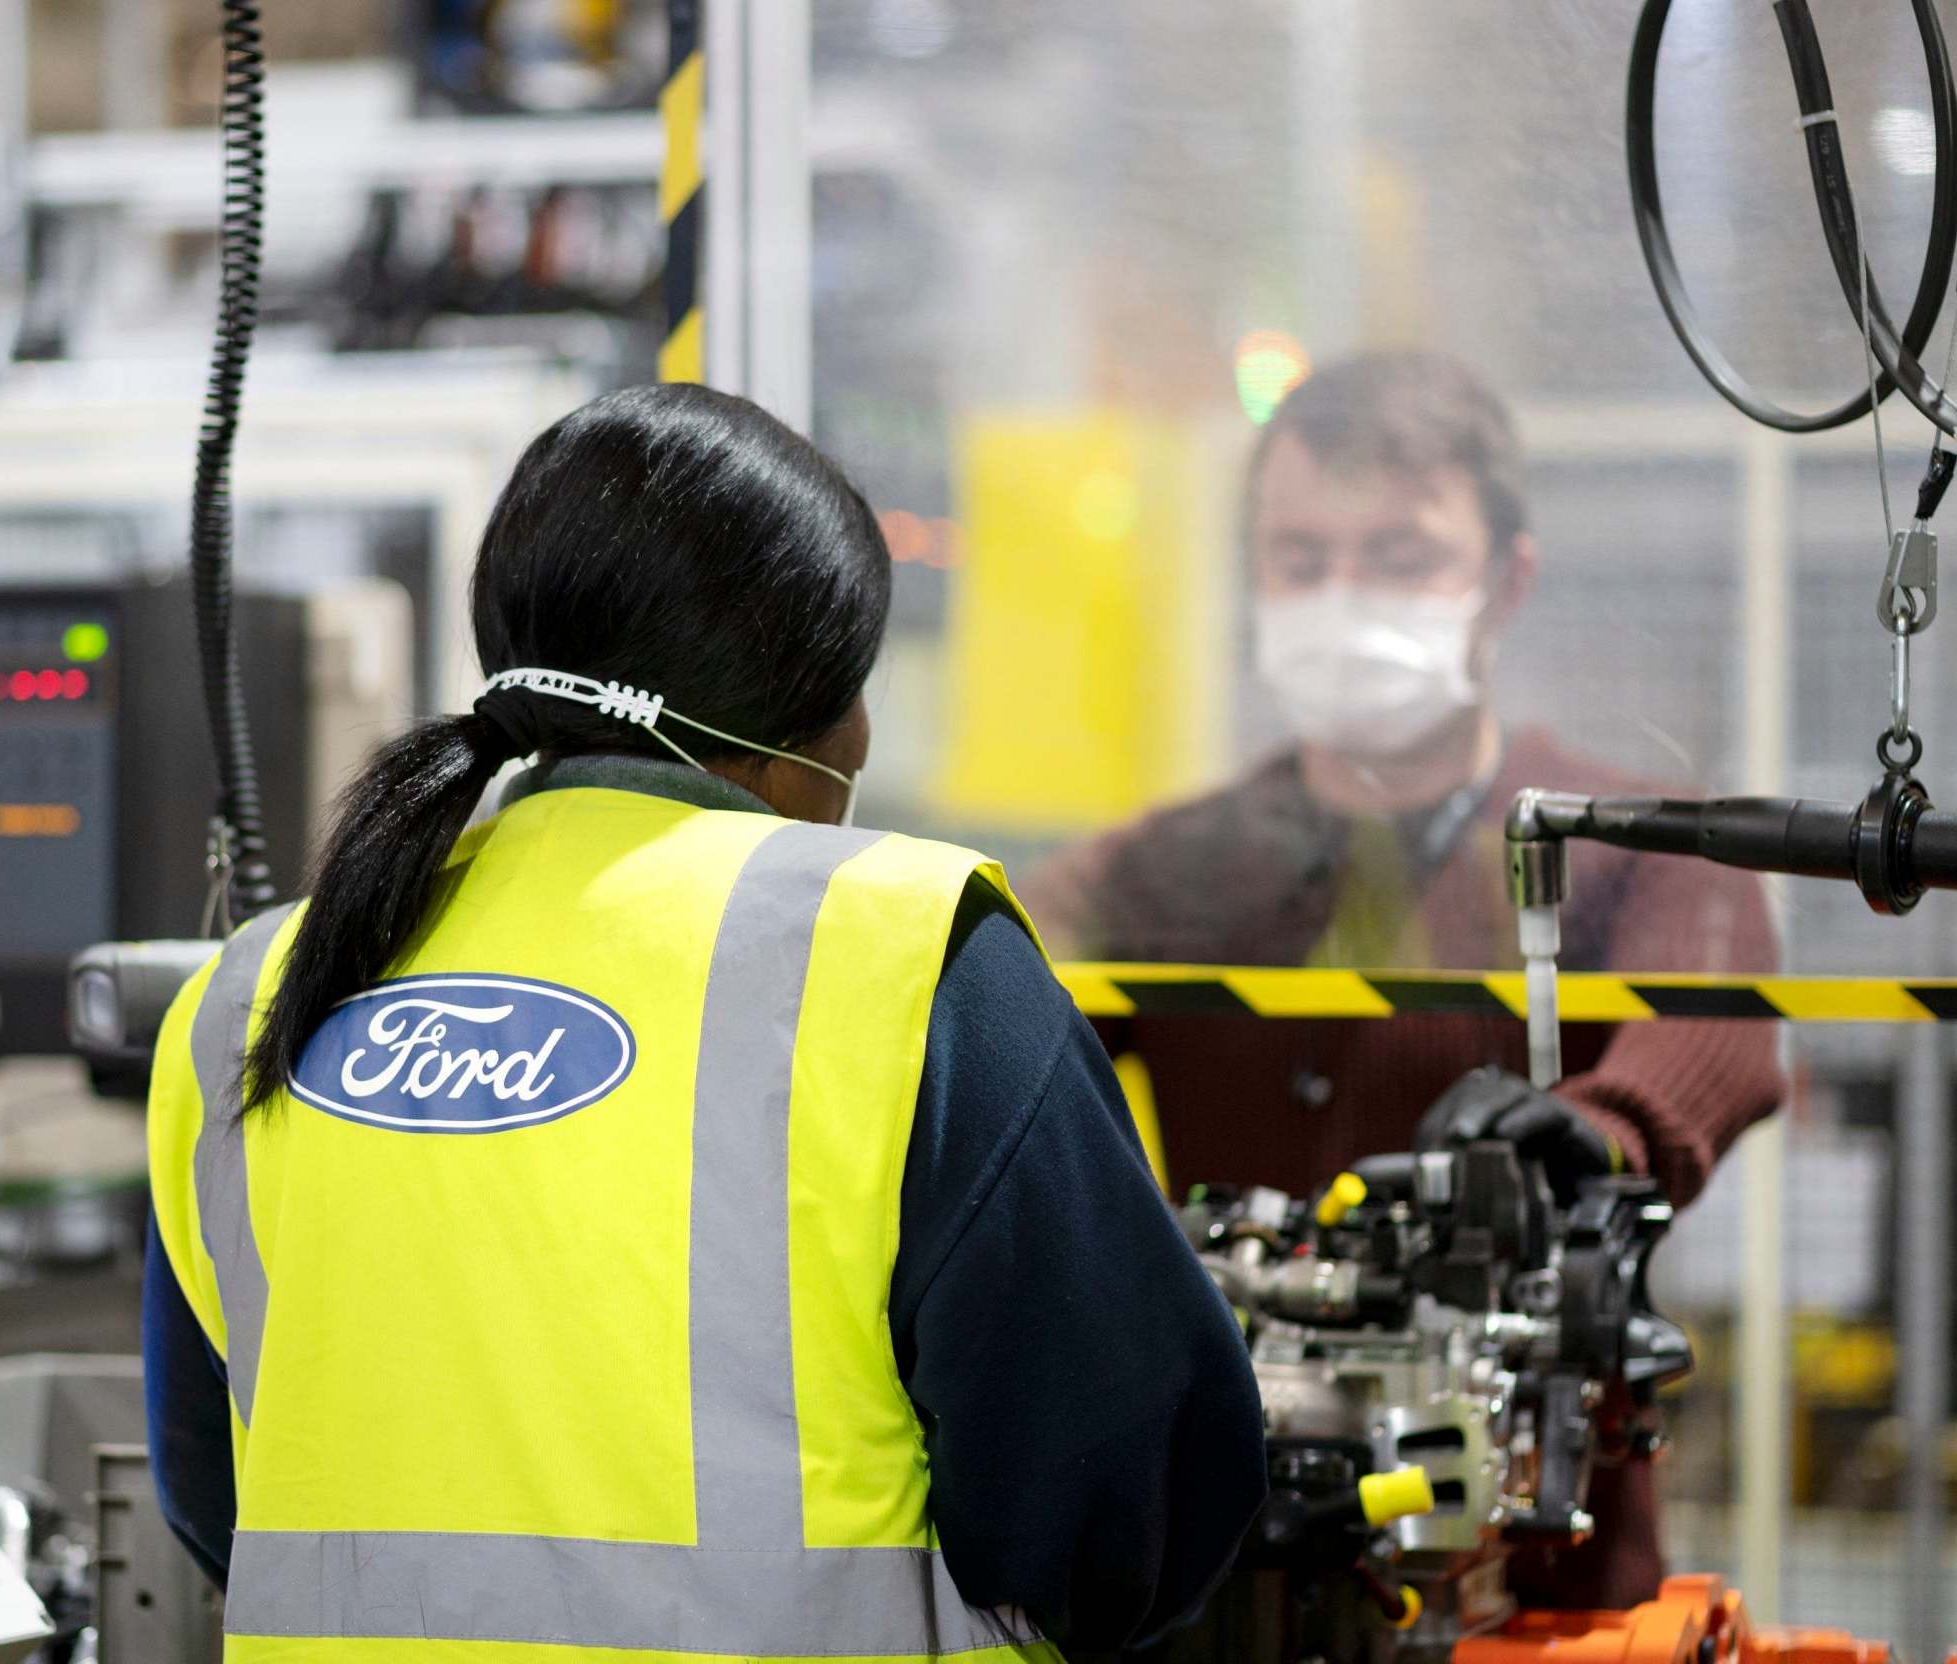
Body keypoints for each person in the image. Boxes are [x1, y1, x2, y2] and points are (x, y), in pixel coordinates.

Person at [143, 383, 1266, 1662]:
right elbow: (1128, 1482)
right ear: (811, 718)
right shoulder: (900, 956)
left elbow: (218, 1487)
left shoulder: (258, 987)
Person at [1018, 351, 1783, 1608]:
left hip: (1532, 1571)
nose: (1345, 596)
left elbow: (1710, 1032)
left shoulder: (1625, 854)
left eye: (1400, 556)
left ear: (1504, 582)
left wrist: (1584, 1140)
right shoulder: (1173, 866)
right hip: (1222, 1560)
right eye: (1301, 558)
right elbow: (987, 977)